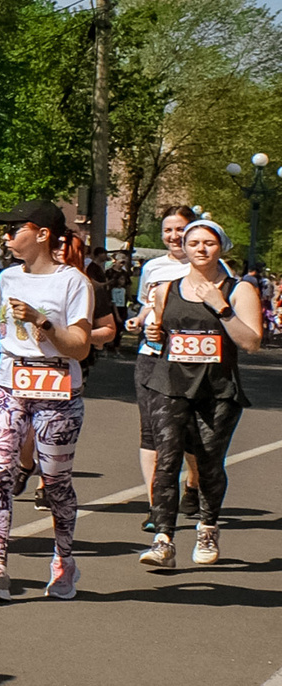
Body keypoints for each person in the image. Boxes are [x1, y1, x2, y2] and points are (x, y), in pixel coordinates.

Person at [0, 199, 95, 602]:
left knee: (55, 482)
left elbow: (79, 347)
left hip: (57, 388)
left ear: (41, 234)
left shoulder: (74, 282)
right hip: (10, 384)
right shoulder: (6, 278)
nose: (6, 237)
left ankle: (64, 560)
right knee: (0, 471)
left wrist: (42, 321)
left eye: (13, 229)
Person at [140, 217, 261, 569]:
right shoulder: (167, 289)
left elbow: (251, 341)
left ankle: (207, 527)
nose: (201, 249)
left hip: (217, 389)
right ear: (185, 249)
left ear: (220, 246)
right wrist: (152, 334)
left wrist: (220, 306)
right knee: (167, 457)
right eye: (194, 244)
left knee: (208, 464)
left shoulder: (239, 289)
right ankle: (163, 538)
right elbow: (156, 336)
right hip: (170, 383)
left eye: (208, 243)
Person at [134, 205, 203, 516]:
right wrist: (139, 322)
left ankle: (193, 483)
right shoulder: (153, 268)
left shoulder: (210, 266)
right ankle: (156, 506)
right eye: (168, 230)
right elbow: (147, 307)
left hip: (194, 363)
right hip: (152, 356)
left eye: (180, 229)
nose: (174, 236)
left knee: (192, 434)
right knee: (150, 431)